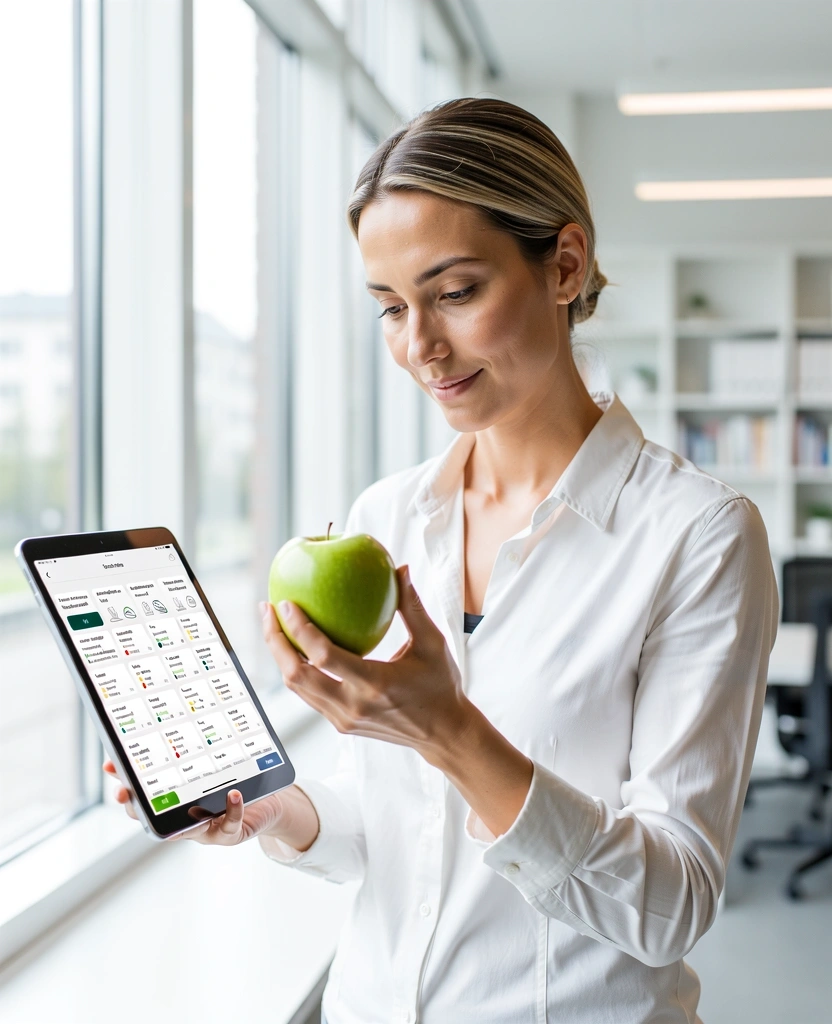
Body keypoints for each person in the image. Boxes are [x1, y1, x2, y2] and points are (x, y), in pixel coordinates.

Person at [105, 98, 779, 1023]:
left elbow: (672, 905)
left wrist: (451, 731)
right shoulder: (385, 519)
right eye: (390, 307)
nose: (419, 347)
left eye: (454, 292)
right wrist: (268, 811)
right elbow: (394, 831)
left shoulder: (697, 537)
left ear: (565, 266)